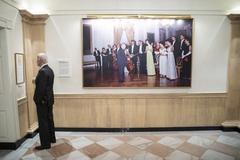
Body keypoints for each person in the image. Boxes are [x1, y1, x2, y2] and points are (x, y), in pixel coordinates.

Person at [33, 53, 56, 150]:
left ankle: (45, 144)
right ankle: (51, 139)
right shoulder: (50, 70)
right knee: (49, 119)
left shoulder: (42, 71)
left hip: (43, 102)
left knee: (43, 122)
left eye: (37, 59)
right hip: (49, 100)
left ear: (40, 60)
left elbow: (41, 90)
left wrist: (36, 100)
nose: (36, 61)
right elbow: (47, 87)